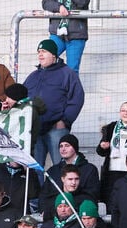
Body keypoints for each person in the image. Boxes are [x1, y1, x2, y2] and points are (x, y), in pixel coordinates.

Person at [22, 39, 84, 168]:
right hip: (35, 130)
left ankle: (61, 189)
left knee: (61, 167)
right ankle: (38, 189)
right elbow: (22, 98)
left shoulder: (67, 73)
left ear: (54, 55)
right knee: (35, 169)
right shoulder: (32, 76)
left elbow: (77, 98)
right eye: (39, 52)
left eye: (44, 51)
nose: (40, 55)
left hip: (56, 129)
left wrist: (65, 121)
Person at [41, 0, 91, 71]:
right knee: (45, 63)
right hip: (57, 34)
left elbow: (82, 1)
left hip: (76, 35)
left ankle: (71, 89)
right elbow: (46, 2)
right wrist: (59, 7)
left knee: (72, 69)